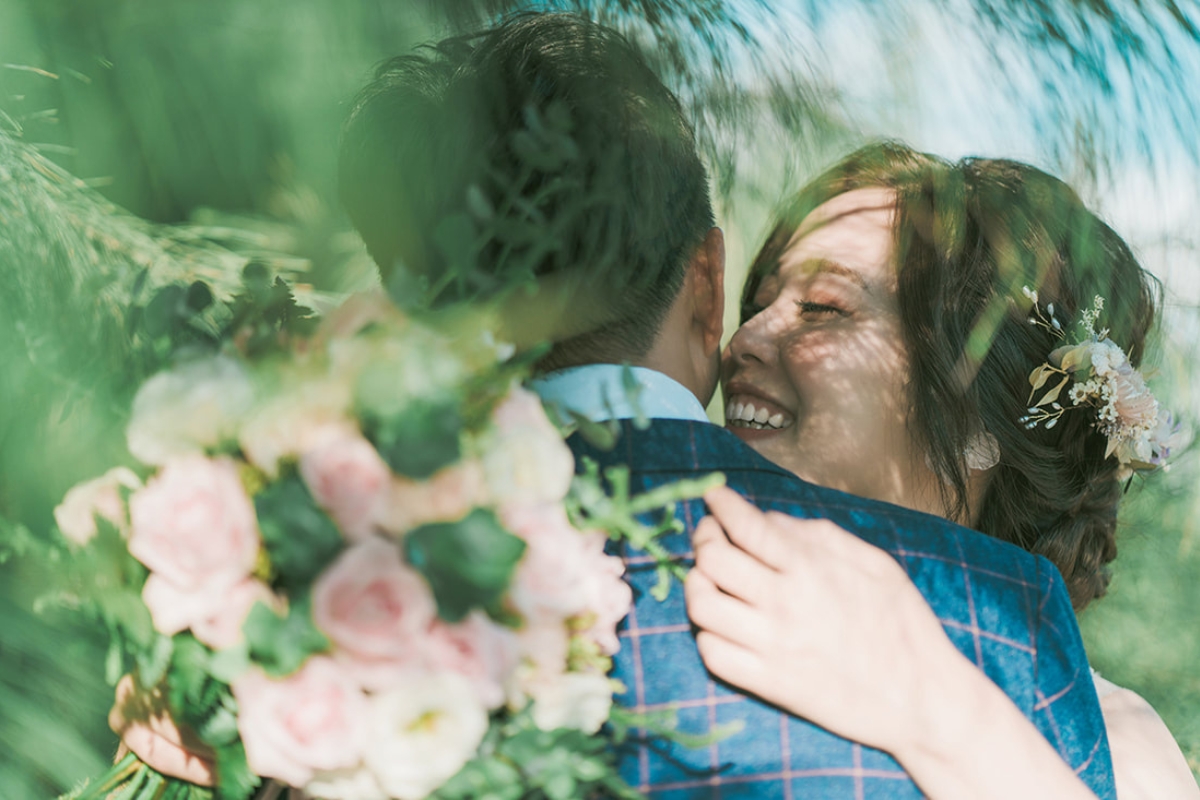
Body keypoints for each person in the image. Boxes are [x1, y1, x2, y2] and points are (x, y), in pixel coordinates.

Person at [114, 13, 1117, 799]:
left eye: (821, 307)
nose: (750, 343)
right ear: (706, 275)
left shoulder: (296, 582)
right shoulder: (1009, 616)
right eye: (765, 295)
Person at [704, 142, 1197, 798]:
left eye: (822, 308)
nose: (742, 342)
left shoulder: (1114, 741)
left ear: (981, 424)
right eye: (756, 306)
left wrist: (934, 707)